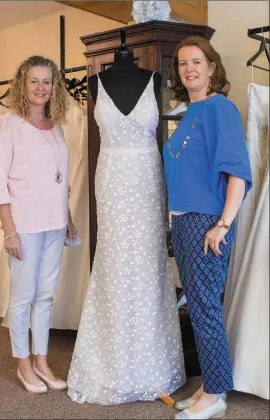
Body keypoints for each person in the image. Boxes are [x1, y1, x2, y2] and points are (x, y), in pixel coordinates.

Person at [67, 39, 186, 404]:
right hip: (112, 179)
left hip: (147, 181)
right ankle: (113, 362)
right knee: (114, 265)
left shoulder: (153, 79)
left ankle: (152, 363)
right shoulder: (94, 83)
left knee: (148, 266)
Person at [163, 37, 252, 420]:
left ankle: (215, 395)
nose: (189, 69)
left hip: (206, 224)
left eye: (197, 62)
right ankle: (208, 387)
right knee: (199, 309)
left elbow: (238, 173)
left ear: (212, 67)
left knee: (205, 309)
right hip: (183, 221)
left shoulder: (220, 109)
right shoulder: (189, 112)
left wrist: (222, 225)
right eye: (183, 63)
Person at [0, 55, 76, 393]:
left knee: (45, 295)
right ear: (23, 85)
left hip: (55, 222)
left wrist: (67, 216)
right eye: (35, 81)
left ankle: (42, 361)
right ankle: (23, 363)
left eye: (47, 81)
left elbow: (60, 179)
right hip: (23, 223)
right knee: (24, 295)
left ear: (54, 87)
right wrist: (8, 229)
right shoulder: (10, 124)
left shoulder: (56, 125)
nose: (41, 88)